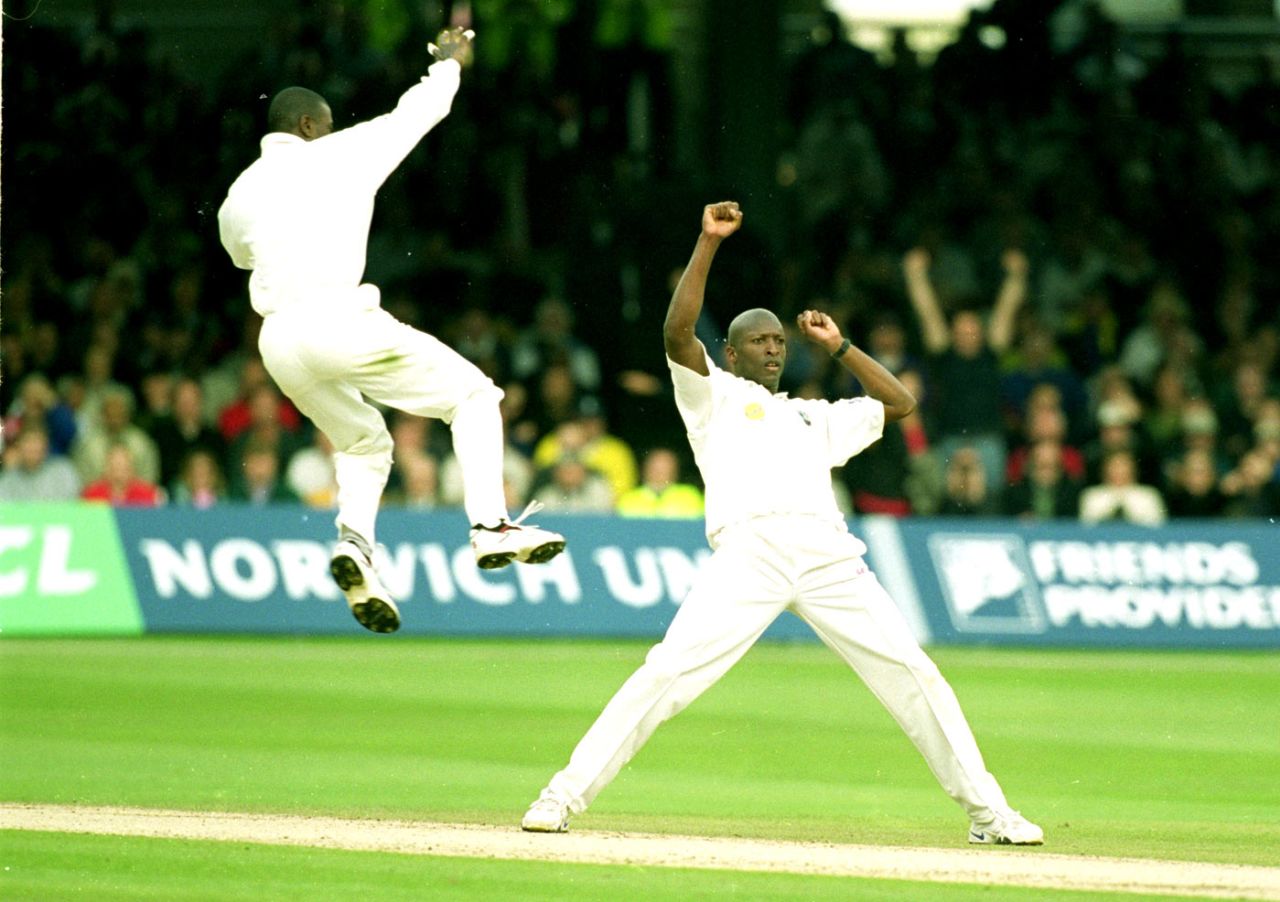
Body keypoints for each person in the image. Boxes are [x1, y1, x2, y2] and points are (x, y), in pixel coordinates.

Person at [520, 202, 1043, 847]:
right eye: (760, 341)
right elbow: (677, 333)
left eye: (780, 341)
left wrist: (841, 346)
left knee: (915, 674)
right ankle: (561, 796)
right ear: (733, 354)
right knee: (667, 672)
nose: (774, 348)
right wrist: (709, 242)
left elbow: (900, 403)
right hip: (751, 554)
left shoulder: (814, 415)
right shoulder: (713, 396)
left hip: (828, 557)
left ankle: (989, 814)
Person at [217, 26, 564, 634]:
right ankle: (490, 528)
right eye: (322, 125)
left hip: (277, 341)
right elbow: (423, 109)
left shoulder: (237, 195)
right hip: (336, 319)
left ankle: (355, 544)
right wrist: (449, 63)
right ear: (307, 126)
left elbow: (242, 257)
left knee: (363, 443)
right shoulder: (341, 152)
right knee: (475, 397)